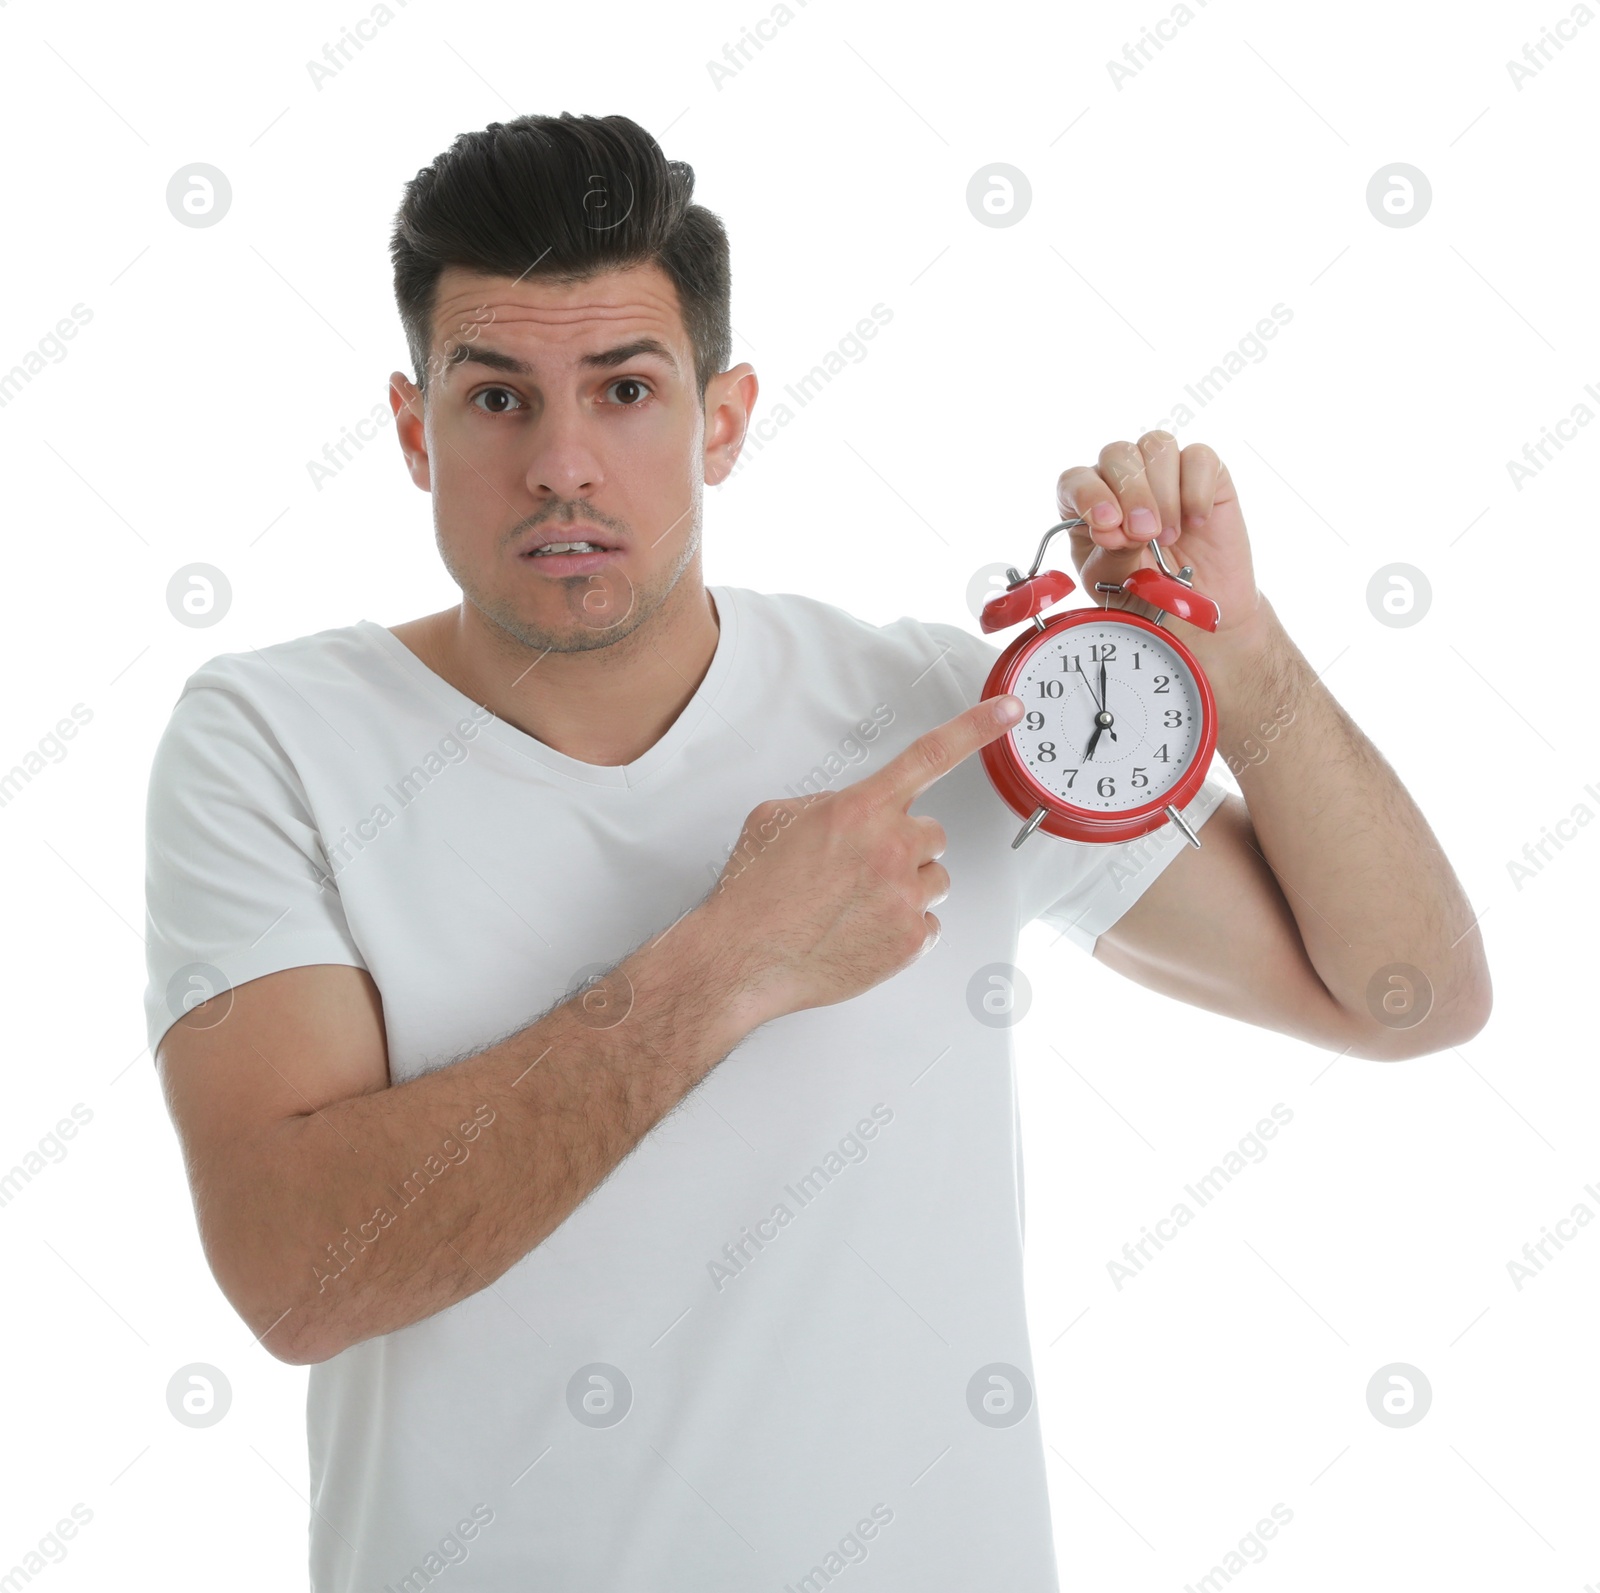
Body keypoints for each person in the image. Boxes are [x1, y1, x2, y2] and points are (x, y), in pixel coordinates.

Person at [144, 112, 1491, 1591]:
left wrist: (1256, 672)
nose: (564, 464)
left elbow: (1409, 995)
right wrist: (726, 965)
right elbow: (301, 1277)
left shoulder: (948, 714)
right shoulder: (273, 737)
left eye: (627, 388)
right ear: (414, 431)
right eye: (498, 399)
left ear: (722, 418)